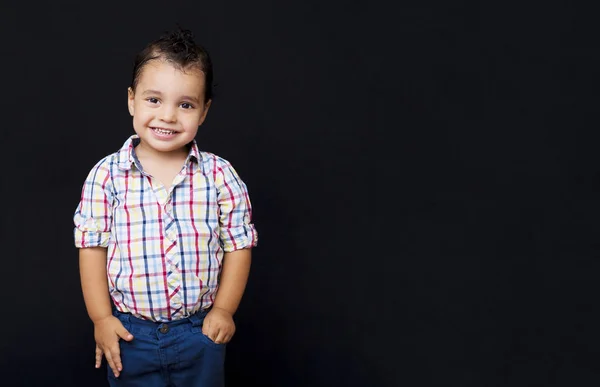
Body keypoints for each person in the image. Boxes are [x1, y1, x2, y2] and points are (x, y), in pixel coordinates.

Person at [73, 27, 258, 387]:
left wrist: (223, 310)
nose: (168, 116)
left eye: (185, 104)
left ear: (203, 112)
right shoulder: (106, 175)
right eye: (154, 100)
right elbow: (91, 248)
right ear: (131, 100)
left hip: (198, 332)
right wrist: (101, 318)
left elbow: (238, 245)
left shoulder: (219, 175)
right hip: (130, 334)